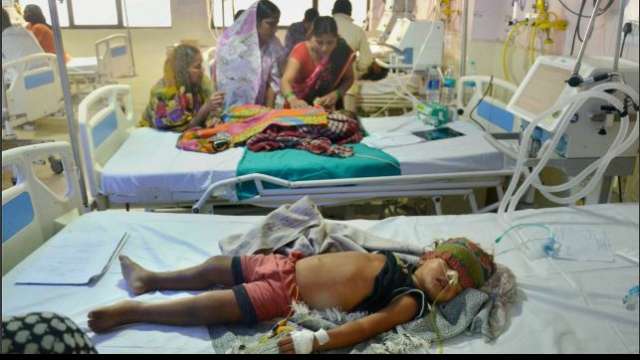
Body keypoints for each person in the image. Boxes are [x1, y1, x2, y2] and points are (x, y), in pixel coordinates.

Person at [87, 238, 496, 354]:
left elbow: (372, 326)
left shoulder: (411, 298)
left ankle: (135, 310)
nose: (450, 283)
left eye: (458, 285)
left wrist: (314, 341)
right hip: (286, 264)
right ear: (430, 256)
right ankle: (153, 277)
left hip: (286, 295)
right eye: (448, 269)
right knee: (215, 266)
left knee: (216, 305)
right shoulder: (402, 263)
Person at [214, 0, 285, 110]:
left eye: (276, 24)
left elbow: (273, 83)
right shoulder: (233, 46)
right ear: (256, 22)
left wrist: (268, 112)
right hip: (231, 108)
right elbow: (225, 83)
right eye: (270, 24)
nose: (275, 29)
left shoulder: (273, 46)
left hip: (259, 107)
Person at [140, 43, 223, 132]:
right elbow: (182, 131)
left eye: (201, 65)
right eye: (197, 67)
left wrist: (213, 118)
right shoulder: (164, 94)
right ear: (183, 70)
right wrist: (205, 109)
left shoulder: (200, 80)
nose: (202, 70)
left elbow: (213, 106)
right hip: (158, 135)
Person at [281, 16, 356, 111]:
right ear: (311, 36)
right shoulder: (301, 51)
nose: (325, 48)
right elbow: (285, 81)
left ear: (337, 39)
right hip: (297, 108)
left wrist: (337, 94)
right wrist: (292, 99)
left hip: (325, 108)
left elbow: (349, 79)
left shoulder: (341, 52)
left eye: (330, 42)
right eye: (319, 42)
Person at [332, 0, 373, 78]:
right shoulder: (358, 30)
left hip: (322, 80)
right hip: (347, 79)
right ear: (350, 12)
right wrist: (357, 68)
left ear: (333, 10)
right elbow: (366, 60)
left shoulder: (323, 27)